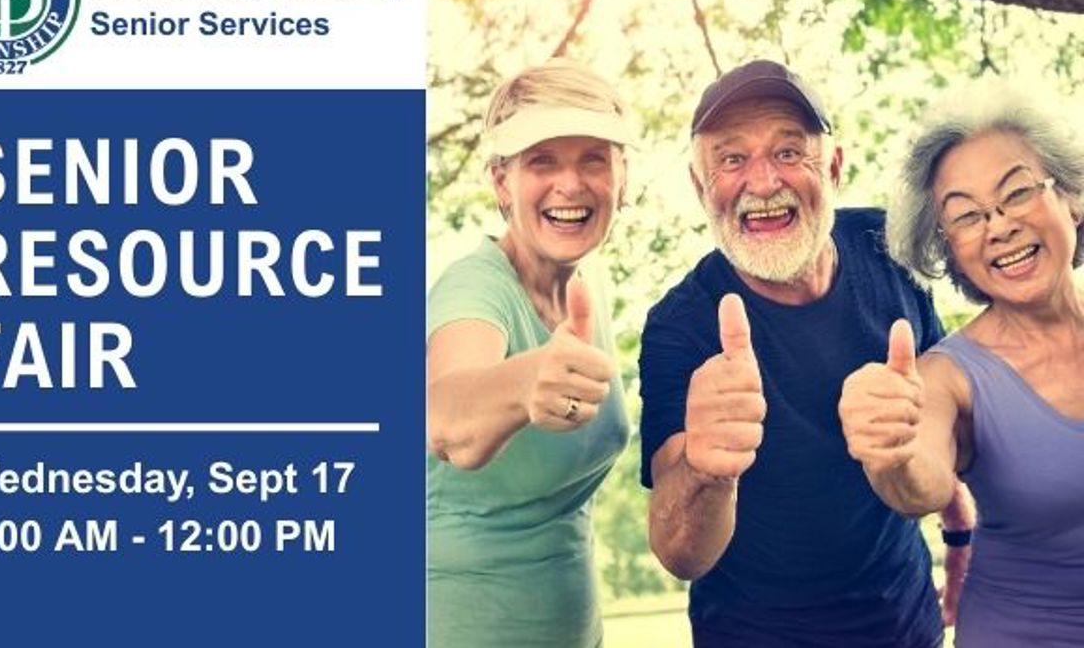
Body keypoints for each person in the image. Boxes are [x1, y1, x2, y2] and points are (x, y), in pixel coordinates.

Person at [639, 59, 972, 647]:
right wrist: (706, 469)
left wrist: (961, 529)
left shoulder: (890, 248)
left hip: (906, 626)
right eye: (732, 159)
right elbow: (677, 551)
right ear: (700, 187)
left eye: (789, 152)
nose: (763, 182)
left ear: (835, 167)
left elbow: (943, 428)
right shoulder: (680, 323)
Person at [841, 83, 1084, 646]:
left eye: (1018, 192)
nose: (998, 225)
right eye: (967, 217)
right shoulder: (947, 376)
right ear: (950, 251)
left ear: (1070, 196)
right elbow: (921, 487)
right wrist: (891, 456)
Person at [426, 58, 634, 648]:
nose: (570, 184)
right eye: (542, 161)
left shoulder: (589, 285)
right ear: (500, 182)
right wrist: (522, 384)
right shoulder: (474, 288)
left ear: (622, 177)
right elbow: (446, 416)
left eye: (593, 157)